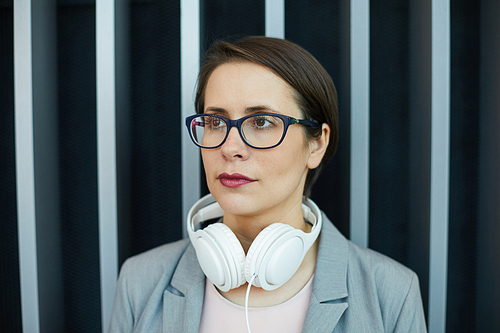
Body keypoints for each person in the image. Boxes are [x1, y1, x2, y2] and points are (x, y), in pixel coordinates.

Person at [109, 36, 427, 333]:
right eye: (215, 122)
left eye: (261, 122)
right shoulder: (140, 282)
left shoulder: (391, 295)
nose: (230, 147)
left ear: (316, 144)